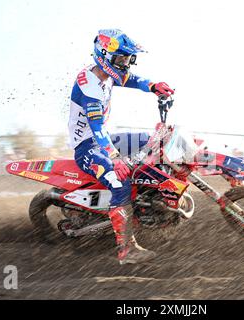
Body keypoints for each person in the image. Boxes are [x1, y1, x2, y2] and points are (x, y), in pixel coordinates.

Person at [68, 29, 174, 265]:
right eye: (121, 59)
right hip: (88, 147)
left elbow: (131, 80)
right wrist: (115, 158)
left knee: (154, 140)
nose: (125, 64)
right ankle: (127, 250)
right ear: (104, 56)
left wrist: (153, 86)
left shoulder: (106, 75)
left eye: (128, 59)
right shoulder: (90, 87)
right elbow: (96, 128)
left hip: (104, 139)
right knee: (120, 180)